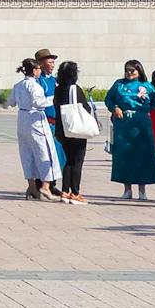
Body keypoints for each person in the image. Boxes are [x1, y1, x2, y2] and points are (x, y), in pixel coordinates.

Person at [105, 59, 155, 200]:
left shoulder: (147, 86)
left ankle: (142, 190)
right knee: (125, 155)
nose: (129, 73)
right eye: (127, 70)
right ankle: (127, 189)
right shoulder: (119, 85)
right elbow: (109, 99)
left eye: (132, 70)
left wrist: (145, 110)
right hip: (123, 124)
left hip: (141, 123)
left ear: (139, 71)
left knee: (143, 155)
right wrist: (115, 108)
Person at [12, 58, 62, 201]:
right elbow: (38, 102)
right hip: (36, 119)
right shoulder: (35, 86)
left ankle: (31, 185)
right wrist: (54, 98)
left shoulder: (18, 85)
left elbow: (11, 101)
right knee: (45, 152)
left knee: (27, 152)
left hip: (22, 119)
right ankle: (45, 187)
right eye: (39, 69)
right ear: (35, 70)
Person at [52, 60, 94, 204]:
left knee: (68, 160)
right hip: (76, 130)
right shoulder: (75, 89)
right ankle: (75, 193)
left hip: (62, 130)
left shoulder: (58, 89)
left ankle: (65, 191)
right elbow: (85, 108)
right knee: (77, 161)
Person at [35, 48, 66, 197]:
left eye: (54, 61)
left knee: (59, 155)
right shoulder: (38, 81)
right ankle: (40, 184)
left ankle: (52, 184)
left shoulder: (53, 80)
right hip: (44, 122)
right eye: (50, 61)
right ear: (40, 63)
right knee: (45, 154)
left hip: (56, 122)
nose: (53, 64)